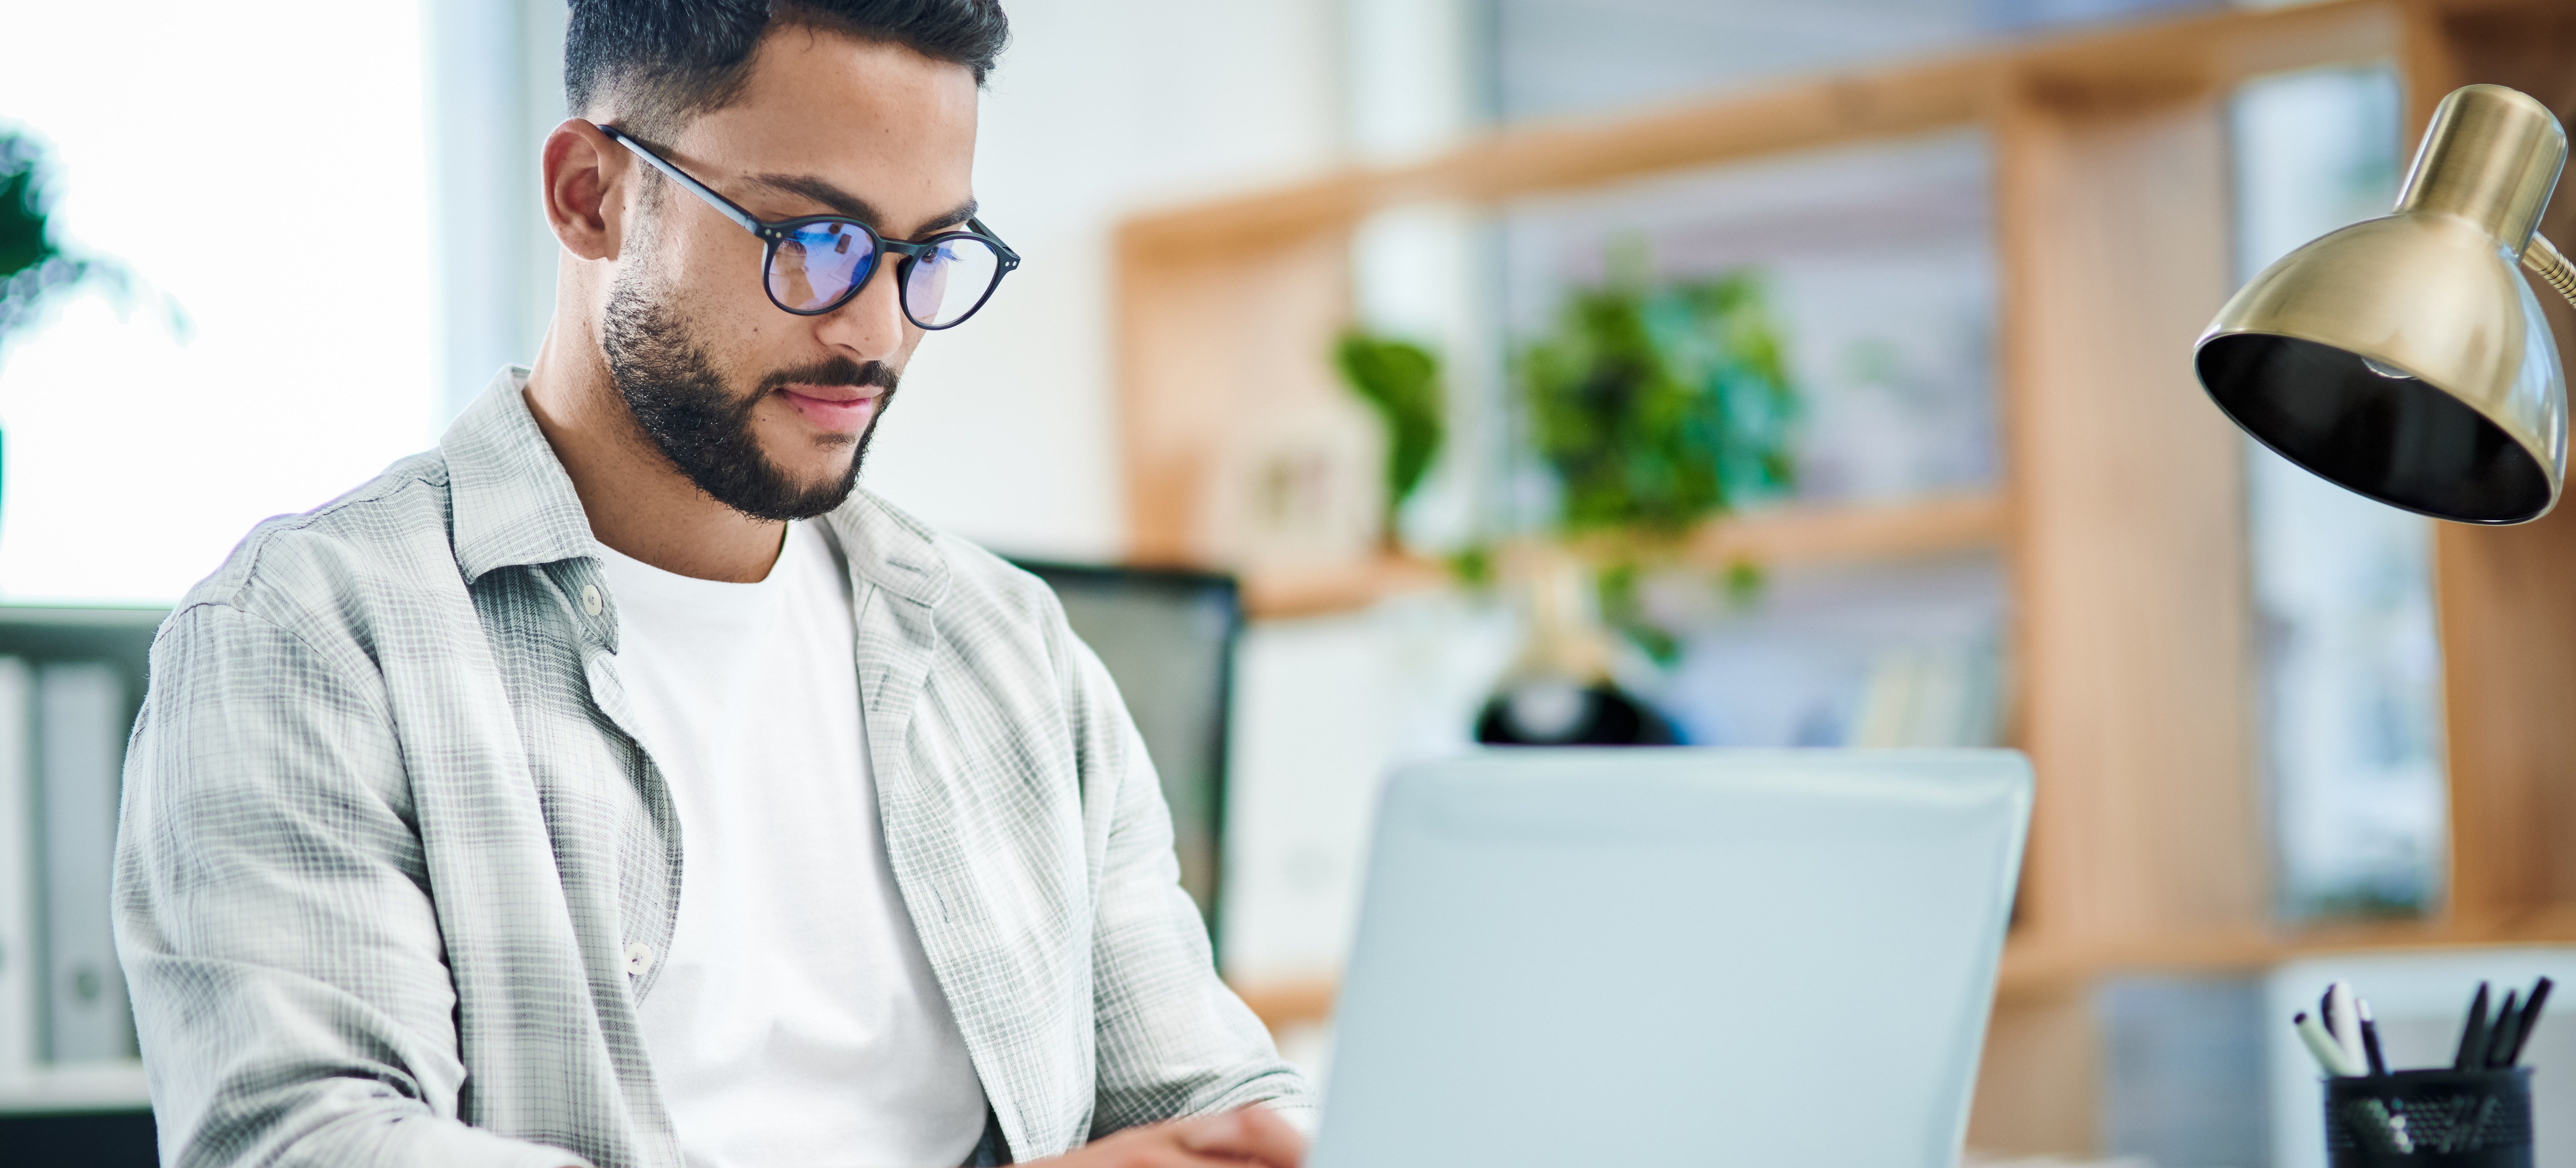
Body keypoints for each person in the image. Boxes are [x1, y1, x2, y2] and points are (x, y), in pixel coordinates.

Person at [111, 3, 1315, 1166]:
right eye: (815, 240)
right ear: (590, 196)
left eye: (927, 255)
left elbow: (1207, 1100)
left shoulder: (1011, 652)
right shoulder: (310, 639)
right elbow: (312, 1146)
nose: (876, 334)